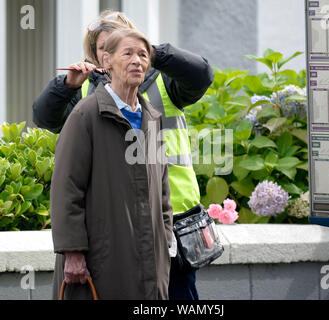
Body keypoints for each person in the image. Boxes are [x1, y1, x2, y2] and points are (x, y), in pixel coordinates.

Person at [32, 11, 214, 300]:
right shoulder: (85, 100)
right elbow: (45, 121)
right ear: (99, 57)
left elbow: (202, 75)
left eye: (128, 46)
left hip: (174, 225)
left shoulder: (164, 84)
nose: (113, 54)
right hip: (120, 229)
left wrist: (151, 52)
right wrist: (65, 85)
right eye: (104, 48)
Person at [51, 28, 172, 300]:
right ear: (106, 62)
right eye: (127, 53)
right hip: (99, 260)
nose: (137, 61)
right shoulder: (86, 114)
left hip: (149, 260)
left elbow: (162, 193)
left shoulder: (153, 118)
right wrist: (73, 253)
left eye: (143, 55)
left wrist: (164, 241)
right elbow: (66, 188)